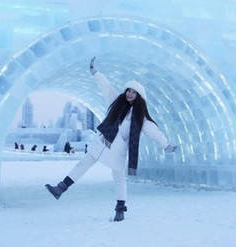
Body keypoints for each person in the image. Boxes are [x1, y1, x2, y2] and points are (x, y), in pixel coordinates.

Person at [45, 56, 178, 222]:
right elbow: (106, 87)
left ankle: (120, 209)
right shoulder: (116, 101)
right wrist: (95, 72)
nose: (129, 94)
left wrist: (165, 145)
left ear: (138, 96)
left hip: (117, 150)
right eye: (128, 90)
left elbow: (153, 130)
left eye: (133, 92)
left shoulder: (139, 117)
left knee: (119, 178)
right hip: (101, 142)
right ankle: (61, 188)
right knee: (83, 164)